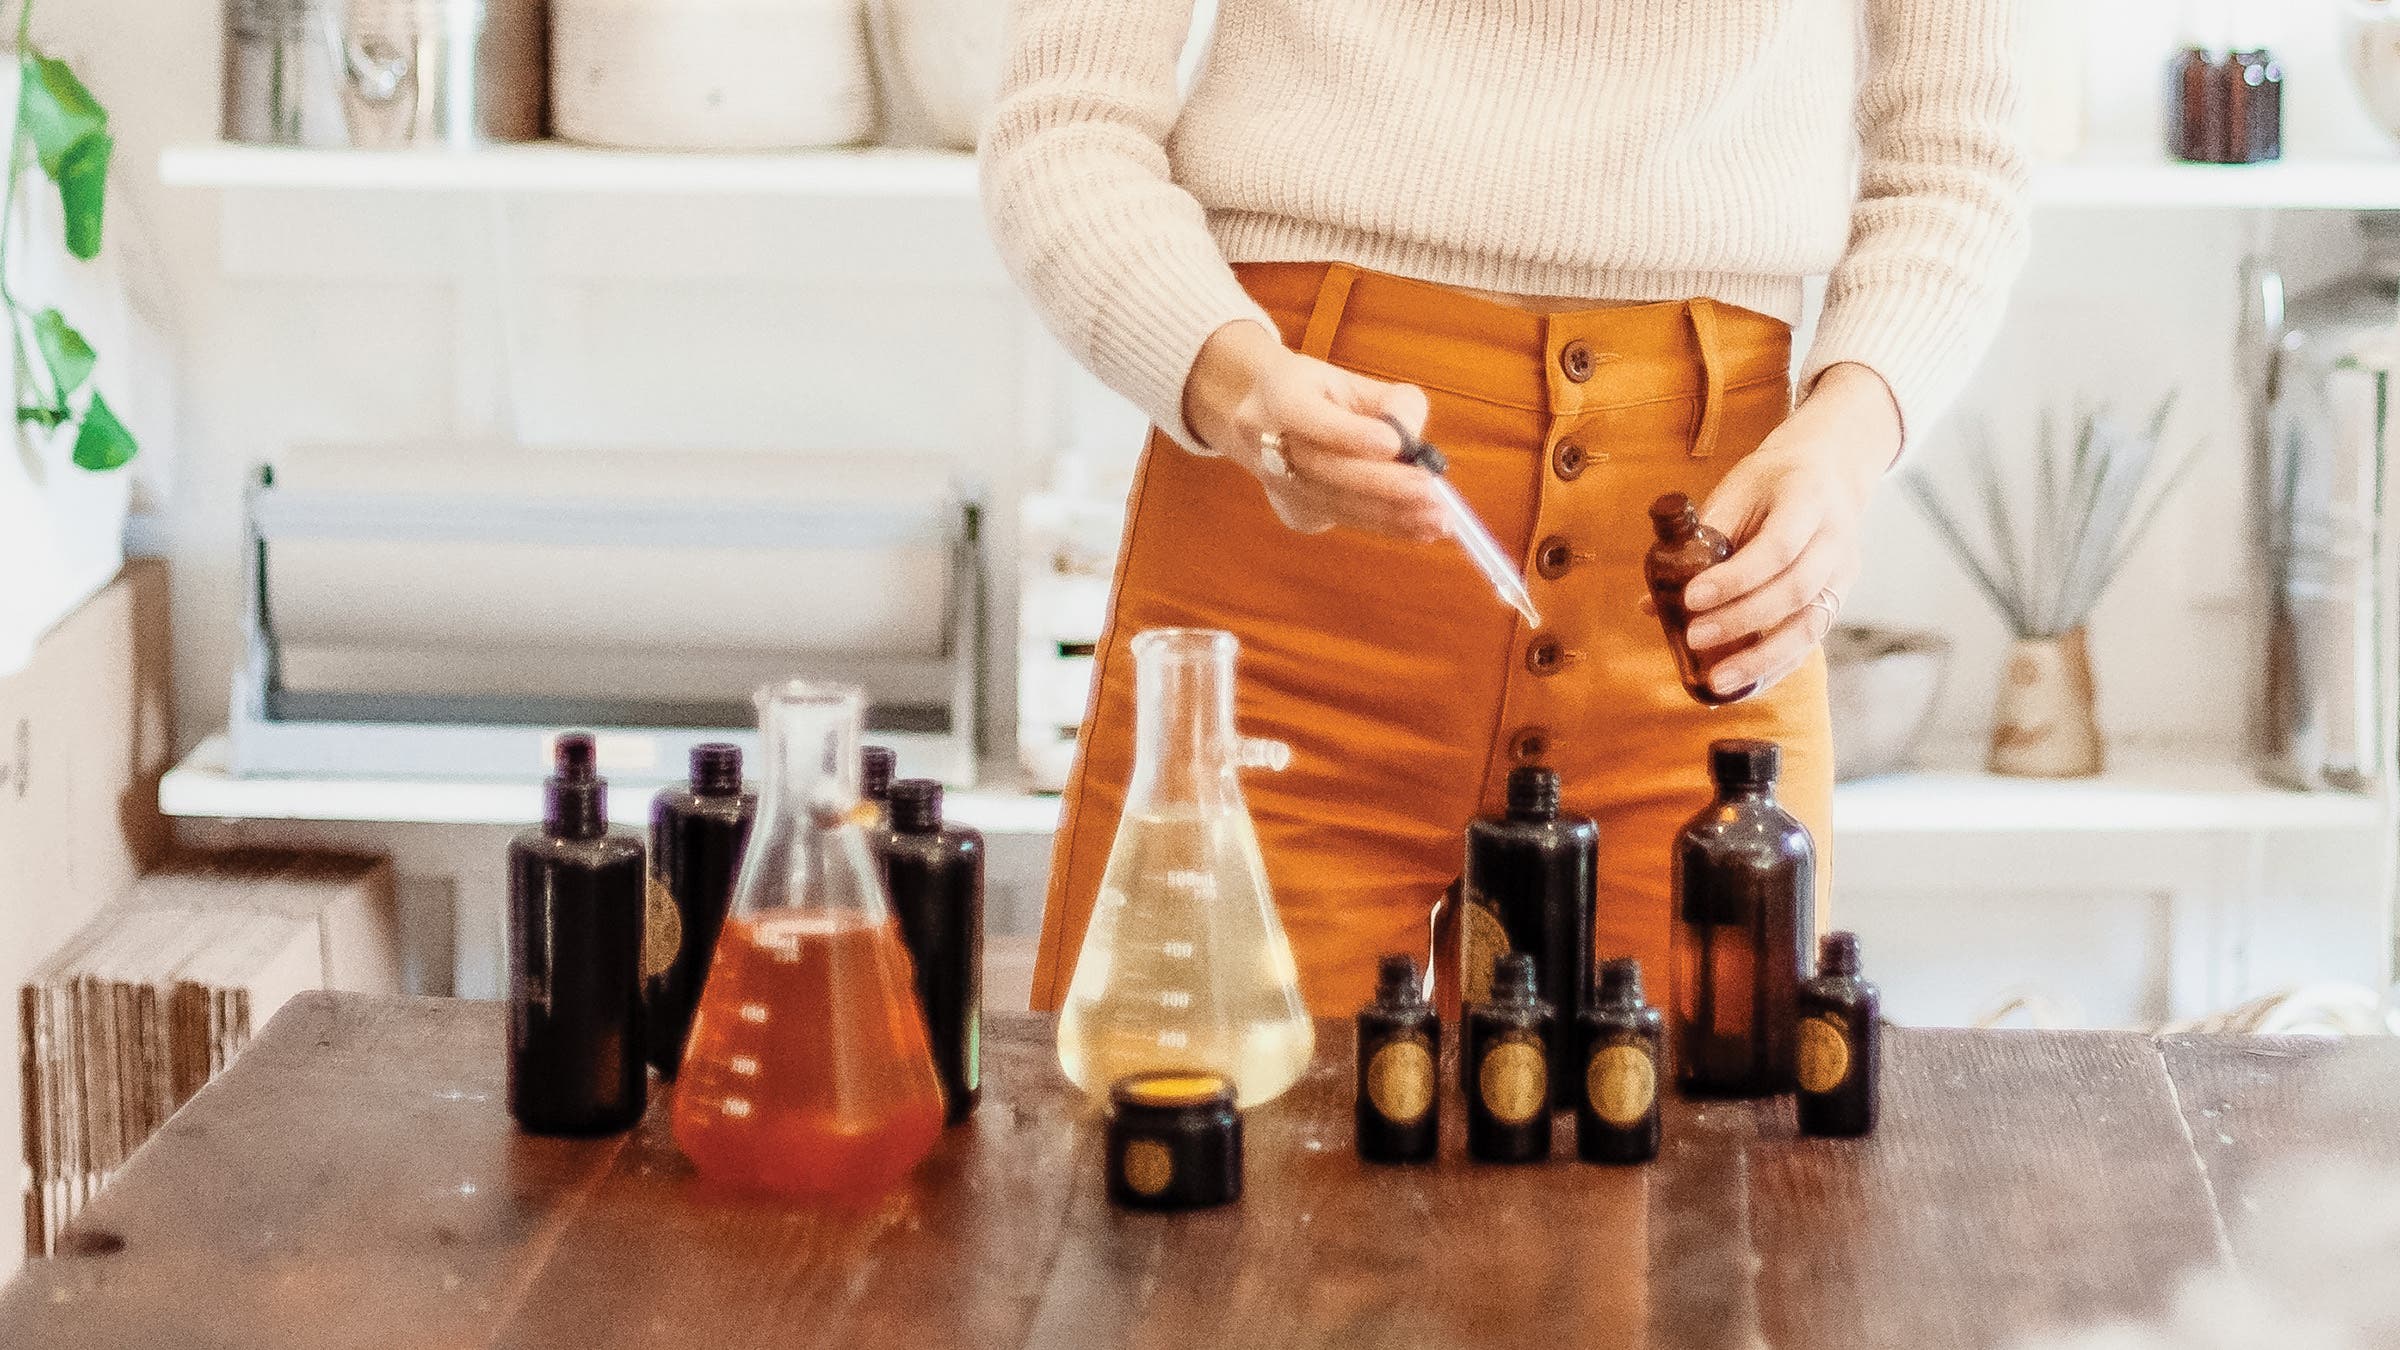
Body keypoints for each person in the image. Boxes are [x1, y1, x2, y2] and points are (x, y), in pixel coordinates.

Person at [981, 1, 2029, 1015]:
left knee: (1707, 1183)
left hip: (1698, 597)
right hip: (1286, 546)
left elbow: (1956, 164)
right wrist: (1240, 384)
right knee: (1193, 1164)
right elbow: (1068, 128)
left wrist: (1846, 441)